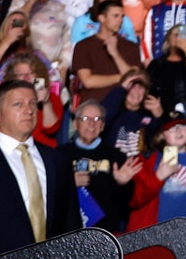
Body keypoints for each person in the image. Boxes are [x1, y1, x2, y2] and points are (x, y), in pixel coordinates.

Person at [0, 79, 82, 253]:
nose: (29, 110)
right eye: (18, 104)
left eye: (33, 103)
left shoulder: (58, 160)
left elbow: (71, 223)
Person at [59, 99, 143, 232]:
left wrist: (122, 183)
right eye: (85, 118)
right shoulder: (59, 155)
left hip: (105, 232)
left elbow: (127, 202)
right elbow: (49, 196)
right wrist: (69, 183)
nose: (92, 123)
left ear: (103, 126)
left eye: (97, 118)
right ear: (75, 124)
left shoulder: (116, 156)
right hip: (68, 232)